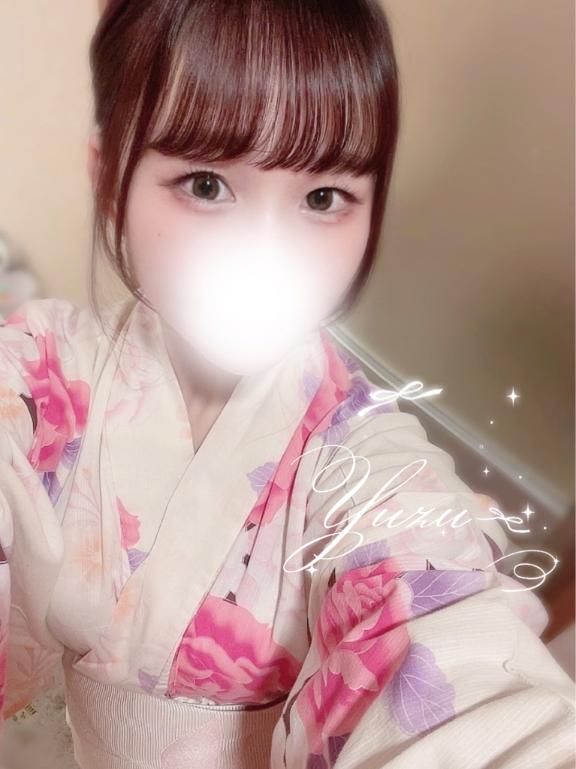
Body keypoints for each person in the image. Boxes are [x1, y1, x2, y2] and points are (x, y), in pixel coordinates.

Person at [0, 1, 574, 767]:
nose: (266, 256)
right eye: (206, 183)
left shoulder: (367, 462)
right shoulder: (43, 368)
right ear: (111, 181)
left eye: (323, 197)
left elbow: (450, 640)